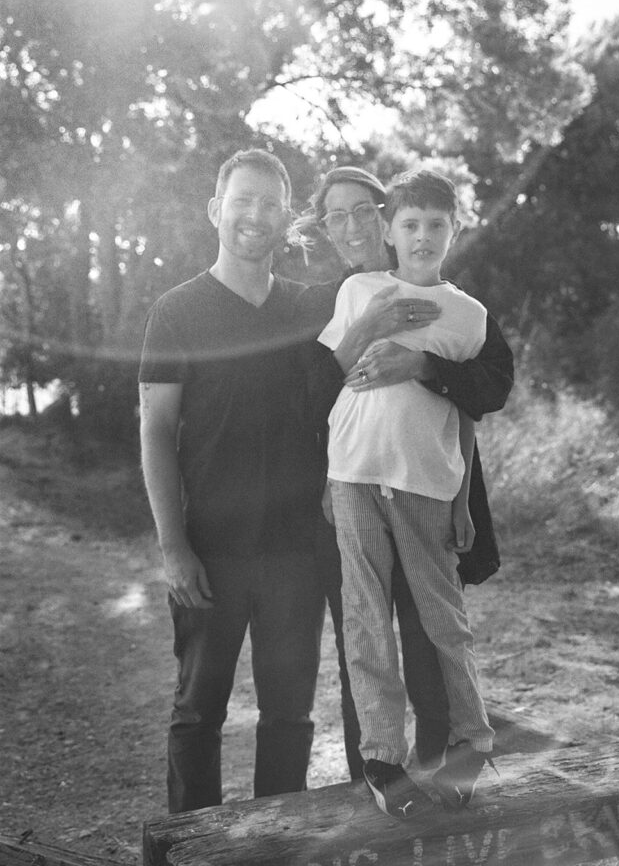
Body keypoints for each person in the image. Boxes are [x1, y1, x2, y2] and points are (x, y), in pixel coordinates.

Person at [298, 166, 513, 786]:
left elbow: (476, 400)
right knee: (365, 626)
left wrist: (463, 494)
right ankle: (381, 757)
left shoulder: (469, 316)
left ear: (453, 230)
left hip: (426, 483)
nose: (422, 236)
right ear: (394, 231)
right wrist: (375, 326)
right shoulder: (356, 292)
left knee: (442, 624)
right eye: (410, 224)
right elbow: (328, 384)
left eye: (435, 225)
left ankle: (468, 745)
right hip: (353, 475)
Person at [138, 148, 326, 813]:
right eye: (242, 201)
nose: (255, 216)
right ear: (217, 210)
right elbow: (156, 431)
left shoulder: (310, 309)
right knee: (198, 715)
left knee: (289, 719)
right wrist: (172, 546)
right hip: (209, 547)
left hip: (297, 551)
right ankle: (191, 851)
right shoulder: (177, 310)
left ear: (287, 221)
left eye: (271, 205)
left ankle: (281, 850)